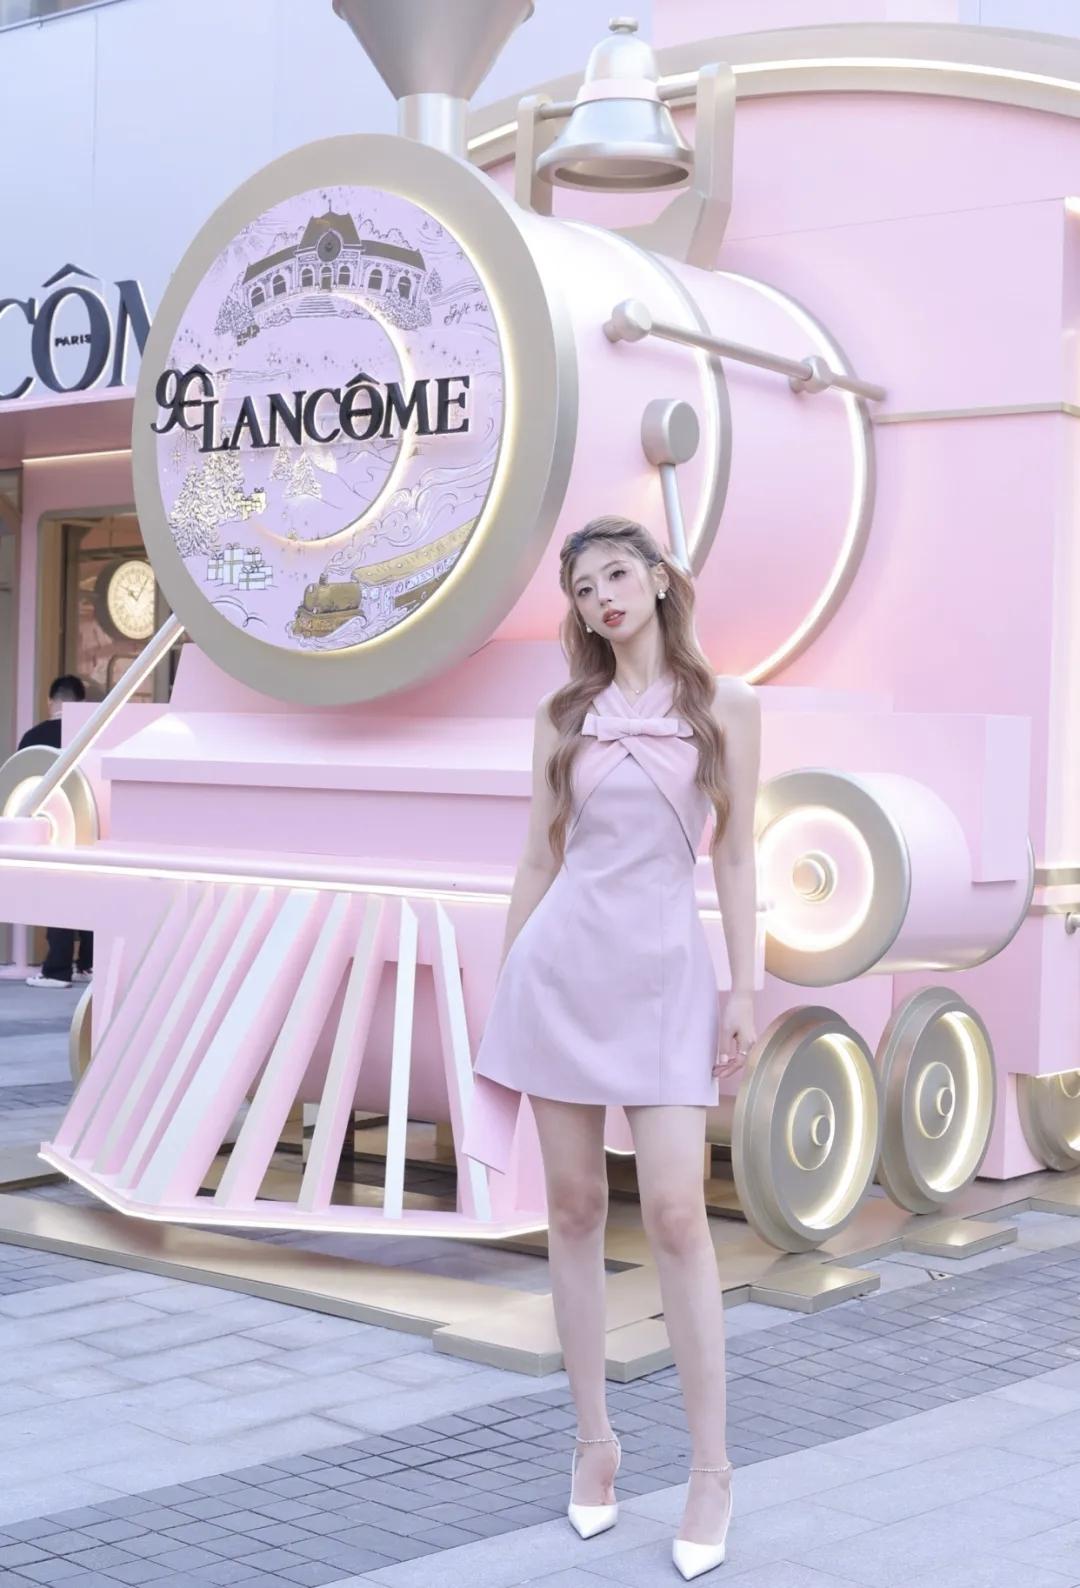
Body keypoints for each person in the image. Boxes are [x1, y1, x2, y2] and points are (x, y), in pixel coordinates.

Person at [463, 517, 761, 1581]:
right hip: (561, 973)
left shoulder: (728, 706)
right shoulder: (563, 715)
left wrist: (745, 986)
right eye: (585, 589)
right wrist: (506, 985)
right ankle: (594, 1442)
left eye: (618, 575)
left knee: (678, 1213)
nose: (603, 599)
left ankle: (712, 1469)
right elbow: (536, 862)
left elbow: (738, 856)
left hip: (668, 978)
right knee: (576, 1208)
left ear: (661, 580)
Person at [19, 675, 94, 989]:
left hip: (51, 826)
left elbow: (21, 783)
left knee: (57, 895)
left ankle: (56, 970)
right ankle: (88, 964)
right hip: (90, 825)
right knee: (90, 893)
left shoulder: (34, 737)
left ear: (51, 701)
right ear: (82, 703)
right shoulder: (93, 734)